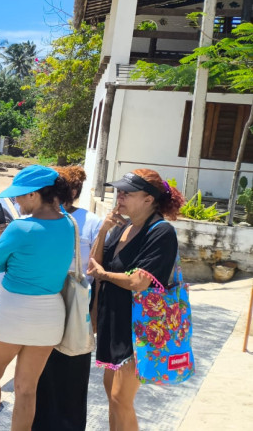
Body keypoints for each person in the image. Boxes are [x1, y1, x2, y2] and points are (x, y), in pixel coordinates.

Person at [0, 165, 75, 430]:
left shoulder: (20, 228)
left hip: (12, 313)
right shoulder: (69, 223)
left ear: (34, 195)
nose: (16, 201)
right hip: (50, 318)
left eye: (19, 196)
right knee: (26, 389)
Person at [87, 169, 184, 430]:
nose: (120, 197)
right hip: (113, 319)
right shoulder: (124, 227)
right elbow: (95, 264)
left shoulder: (161, 232)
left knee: (121, 398)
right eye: (119, 192)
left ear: (148, 199)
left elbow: (139, 281)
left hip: (138, 326)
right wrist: (104, 231)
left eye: (127, 193)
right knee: (112, 396)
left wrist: (104, 274)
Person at [32, 166, 103, 430]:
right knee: (41, 369)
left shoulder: (91, 222)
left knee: (72, 367)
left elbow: (97, 270)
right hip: (45, 299)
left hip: (76, 302)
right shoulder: (39, 217)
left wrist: (94, 313)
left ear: (72, 191)